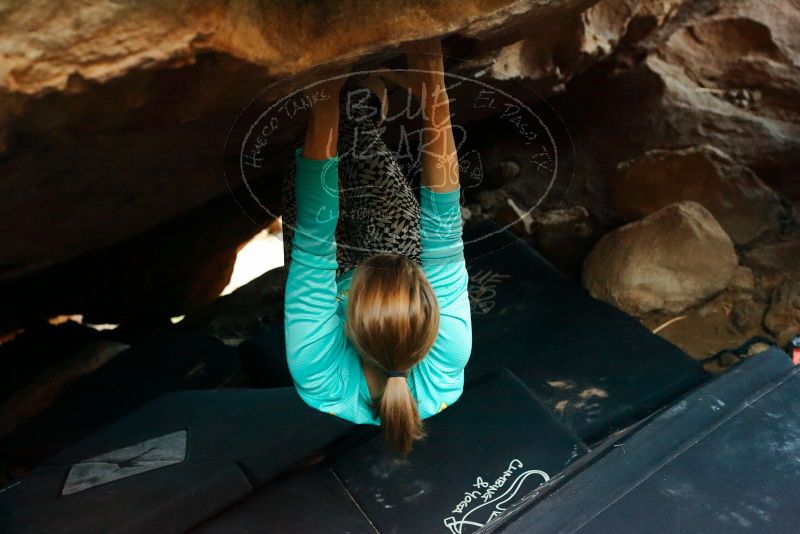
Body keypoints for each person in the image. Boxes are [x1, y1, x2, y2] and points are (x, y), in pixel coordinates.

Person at [282, 40, 472, 455]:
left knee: (308, 156)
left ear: (347, 320)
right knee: (361, 151)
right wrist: (434, 91)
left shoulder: (318, 370)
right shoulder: (448, 354)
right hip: (394, 244)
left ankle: (347, 107)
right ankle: (360, 105)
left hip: (328, 276)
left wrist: (321, 96)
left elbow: (315, 246)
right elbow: (442, 229)